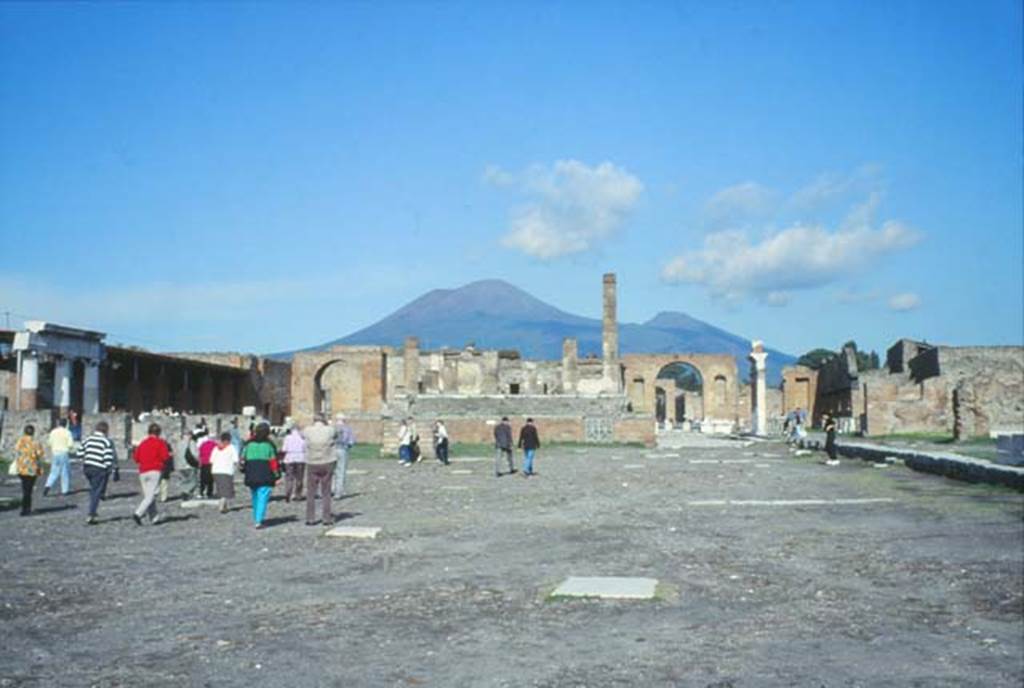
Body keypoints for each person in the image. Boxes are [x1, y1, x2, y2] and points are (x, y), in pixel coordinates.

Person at [240, 422, 279, 529]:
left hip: (251, 472)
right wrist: (277, 475)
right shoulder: (269, 445)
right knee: (263, 496)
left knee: (255, 496)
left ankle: (256, 517)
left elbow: (243, 458)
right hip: (265, 473)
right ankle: (258, 520)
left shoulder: (249, 444)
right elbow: (273, 462)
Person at [302, 415, 337, 526]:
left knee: (311, 492)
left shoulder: (307, 430)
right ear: (324, 420)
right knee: (326, 491)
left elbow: (303, 437)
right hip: (327, 461)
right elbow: (336, 435)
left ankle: (310, 518)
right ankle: (326, 518)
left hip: (312, 462)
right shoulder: (330, 430)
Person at [80, 421, 118, 525]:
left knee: (93, 488)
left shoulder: (88, 439)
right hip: (99, 469)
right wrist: (110, 470)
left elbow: (79, 452)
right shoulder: (105, 442)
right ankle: (91, 514)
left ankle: (92, 508)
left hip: (87, 467)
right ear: (106, 430)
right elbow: (108, 458)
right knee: (96, 491)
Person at [132, 423, 169, 526]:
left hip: (143, 471)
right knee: (152, 495)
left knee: (148, 495)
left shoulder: (142, 443)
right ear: (159, 433)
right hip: (155, 470)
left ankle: (154, 517)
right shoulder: (160, 443)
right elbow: (165, 457)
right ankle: (138, 513)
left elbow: (136, 458)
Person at [13, 425, 45, 516]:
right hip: (31, 468)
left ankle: (25, 508)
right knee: (28, 490)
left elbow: (16, 451)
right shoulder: (35, 442)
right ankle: (26, 509)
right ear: (33, 432)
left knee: (25, 488)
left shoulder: (20, 441)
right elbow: (40, 453)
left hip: (21, 467)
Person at [210, 431, 240, 514]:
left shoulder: (216, 448)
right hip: (226, 470)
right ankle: (222, 505)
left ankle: (224, 505)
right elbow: (235, 460)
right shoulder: (231, 448)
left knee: (220, 488)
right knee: (226, 489)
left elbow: (211, 460)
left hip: (215, 470)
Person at [44, 418, 74, 496]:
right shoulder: (67, 432)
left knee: (54, 471)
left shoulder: (53, 432)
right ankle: (65, 490)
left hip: (55, 453)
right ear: (66, 424)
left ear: (58, 424)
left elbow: (49, 443)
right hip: (63, 453)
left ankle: (47, 486)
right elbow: (70, 445)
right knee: (64, 472)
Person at [281, 424, 306, 502]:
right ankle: (298, 495)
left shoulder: (287, 438)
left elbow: (284, 449)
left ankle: (288, 494)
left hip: (289, 458)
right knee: (299, 478)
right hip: (300, 458)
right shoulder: (302, 438)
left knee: (289, 477)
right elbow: (305, 448)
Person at [333, 413, 355, 499]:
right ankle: (338, 491)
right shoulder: (348, 429)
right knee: (341, 470)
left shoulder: (332, 428)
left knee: (332, 471)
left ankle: (332, 488)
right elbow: (351, 441)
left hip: (332, 450)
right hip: (342, 449)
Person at [197, 432, 217, 499]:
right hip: (211, 463)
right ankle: (209, 493)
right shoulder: (215, 445)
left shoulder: (203, 444)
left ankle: (201, 492)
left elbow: (199, 453)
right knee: (210, 479)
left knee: (203, 479)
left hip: (203, 463)